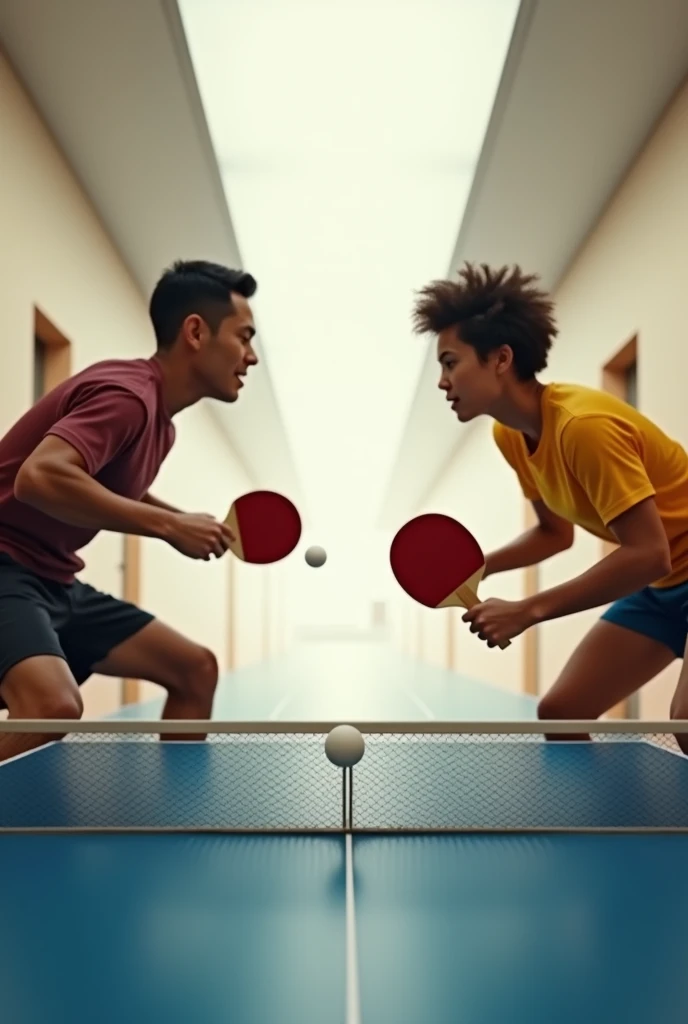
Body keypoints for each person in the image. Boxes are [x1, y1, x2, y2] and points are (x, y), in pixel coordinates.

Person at [412, 262, 688, 744]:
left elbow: (648, 552)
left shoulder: (583, 426)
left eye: (450, 362)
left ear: (500, 358)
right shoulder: (512, 435)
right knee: (563, 712)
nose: (441, 381)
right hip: (662, 588)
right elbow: (555, 534)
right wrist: (478, 568)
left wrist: (527, 610)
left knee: (685, 726)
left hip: (662, 567)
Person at [0, 259, 259, 761]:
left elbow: (103, 480)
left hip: (55, 580)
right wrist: (168, 527)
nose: (250, 357)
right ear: (196, 332)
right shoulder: (129, 395)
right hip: (6, 566)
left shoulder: (161, 422)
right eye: (244, 337)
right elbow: (40, 477)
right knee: (50, 706)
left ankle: (175, 822)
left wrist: (183, 518)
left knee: (195, 669)